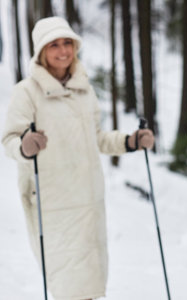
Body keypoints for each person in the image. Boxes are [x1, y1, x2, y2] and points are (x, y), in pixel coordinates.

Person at [1, 17, 154, 300]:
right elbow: (9, 140)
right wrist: (24, 145)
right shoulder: (27, 92)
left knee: (92, 287)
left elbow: (96, 138)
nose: (62, 51)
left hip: (89, 204)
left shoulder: (84, 88)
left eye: (67, 43)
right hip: (54, 206)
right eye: (54, 45)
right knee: (69, 289)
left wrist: (130, 141)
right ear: (41, 52)